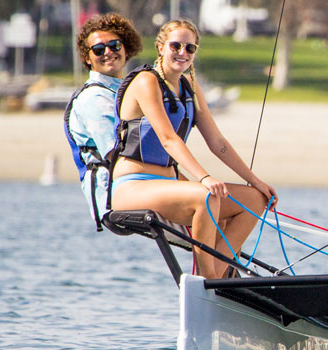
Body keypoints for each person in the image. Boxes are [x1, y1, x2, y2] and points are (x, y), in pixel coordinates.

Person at [111, 19, 277, 279]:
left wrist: (256, 181)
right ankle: (207, 279)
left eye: (190, 48)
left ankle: (218, 277)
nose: (182, 53)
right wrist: (205, 178)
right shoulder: (146, 82)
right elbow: (168, 139)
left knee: (255, 200)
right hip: (133, 185)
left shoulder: (190, 86)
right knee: (206, 196)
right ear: (161, 47)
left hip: (170, 185)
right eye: (176, 45)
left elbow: (217, 142)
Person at [65, 13, 142, 230]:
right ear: (87, 58)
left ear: (126, 49)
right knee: (204, 202)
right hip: (113, 197)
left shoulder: (128, 91)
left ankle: (219, 264)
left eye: (115, 45)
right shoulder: (94, 98)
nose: (108, 52)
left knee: (222, 205)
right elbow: (115, 155)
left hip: (138, 183)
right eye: (99, 50)